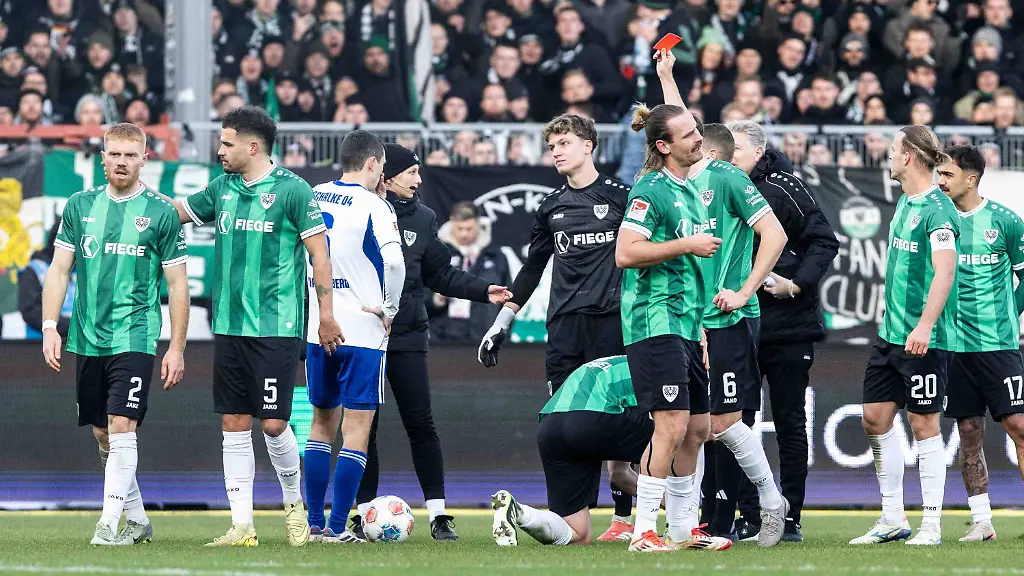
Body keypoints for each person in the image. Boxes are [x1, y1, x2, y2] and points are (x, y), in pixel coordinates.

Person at [171, 105, 343, 547]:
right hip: (229, 324)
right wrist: (132, 203)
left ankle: (293, 506)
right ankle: (242, 525)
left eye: (227, 143)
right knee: (232, 419)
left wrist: (325, 315)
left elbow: (319, 255)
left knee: (272, 422)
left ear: (252, 146)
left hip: (276, 325)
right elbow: (175, 213)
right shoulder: (222, 188)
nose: (220, 150)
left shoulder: (293, 190)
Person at [477, 112, 637, 541]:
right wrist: (502, 322)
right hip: (565, 329)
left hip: (613, 323)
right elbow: (531, 271)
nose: (557, 153)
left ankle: (623, 519)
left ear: (588, 145)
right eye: (552, 147)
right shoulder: (551, 206)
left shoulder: (623, 196)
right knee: (567, 421)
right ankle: (574, 519)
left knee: (617, 416)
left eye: (564, 143)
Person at [659, 49, 791, 548]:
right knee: (689, 426)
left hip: (728, 318)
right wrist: (668, 78)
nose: (686, 144)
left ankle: (770, 500)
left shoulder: (728, 178)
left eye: (695, 138)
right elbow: (674, 124)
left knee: (718, 421)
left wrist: (744, 290)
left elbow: (774, 236)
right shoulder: (677, 180)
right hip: (685, 318)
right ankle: (686, 526)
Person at [349, 144, 512, 541]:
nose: (419, 180)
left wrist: (481, 290)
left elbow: (441, 275)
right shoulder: (353, 210)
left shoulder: (423, 219)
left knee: (420, 423)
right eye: (411, 173)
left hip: (406, 335)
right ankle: (362, 512)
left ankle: (439, 516)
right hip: (362, 335)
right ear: (386, 177)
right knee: (361, 427)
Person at [41, 122, 189, 545]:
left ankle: (107, 524)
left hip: (136, 334)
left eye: (130, 155)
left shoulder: (161, 213)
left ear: (145, 158)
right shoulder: (79, 206)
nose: (122, 162)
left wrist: (175, 347)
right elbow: (59, 270)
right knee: (103, 433)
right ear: (102, 157)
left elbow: (178, 284)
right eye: (115, 154)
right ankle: (139, 519)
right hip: (87, 335)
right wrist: (51, 326)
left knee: (122, 423)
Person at [614, 48, 724, 553]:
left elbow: (687, 272)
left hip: (684, 324)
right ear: (664, 145)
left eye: (698, 129)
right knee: (673, 424)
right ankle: (643, 532)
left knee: (698, 427)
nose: (699, 137)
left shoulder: (685, 188)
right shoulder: (651, 188)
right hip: (652, 322)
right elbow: (625, 253)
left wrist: (699, 327)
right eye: (689, 135)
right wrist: (687, 244)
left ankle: (682, 530)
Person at [728, 121, 840, 543]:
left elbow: (824, 241)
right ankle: (749, 514)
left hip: (789, 323)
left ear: (758, 152)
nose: (730, 154)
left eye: (737, 148)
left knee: (791, 422)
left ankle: (791, 515)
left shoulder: (786, 185)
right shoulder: (720, 184)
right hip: (739, 322)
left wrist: (795, 285)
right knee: (738, 421)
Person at [491, 355, 730, 550]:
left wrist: (667, 503)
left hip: (550, 426)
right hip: (593, 419)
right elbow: (691, 433)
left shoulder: (619, 366)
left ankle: (518, 511)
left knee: (577, 533)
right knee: (682, 436)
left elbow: (619, 475)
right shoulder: (664, 368)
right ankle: (685, 529)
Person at [849, 125, 959, 547]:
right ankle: (892, 517)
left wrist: (926, 325)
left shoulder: (939, 210)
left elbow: (945, 271)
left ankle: (931, 524)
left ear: (910, 155)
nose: (889, 157)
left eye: (894, 150)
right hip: (890, 334)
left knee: (923, 422)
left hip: (924, 335)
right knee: (874, 419)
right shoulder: (903, 203)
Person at [302, 131, 407, 543]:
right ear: (373, 164)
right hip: (362, 328)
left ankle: (312, 524)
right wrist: (391, 309)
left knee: (320, 424)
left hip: (319, 324)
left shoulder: (315, 194)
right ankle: (336, 526)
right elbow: (394, 263)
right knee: (357, 427)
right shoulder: (375, 205)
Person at [937, 145, 1024, 543]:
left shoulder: (1006, 222)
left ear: (970, 179)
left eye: (947, 175)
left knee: (1019, 426)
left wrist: (1009, 314)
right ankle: (982, 521)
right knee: (968, 431)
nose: (941, 182)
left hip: (998, 345)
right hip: (955, 347)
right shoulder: (937, 220)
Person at [430, 202, 513, 345]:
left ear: (478, 224)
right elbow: (417, 294)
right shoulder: (436, 253)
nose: (464, 234)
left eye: (469, 229)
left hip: (484, 335)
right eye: (459, 228)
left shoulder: (495, 256)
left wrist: (502, 333)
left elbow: (509, 298)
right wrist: (436, 299)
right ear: (451, 223)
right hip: (442, 336)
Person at [19, 218, 75, 339]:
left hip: (78, 344)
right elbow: (31, 311)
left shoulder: (82, 270)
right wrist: (69, 327)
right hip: (40, 345)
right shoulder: (35, 270)